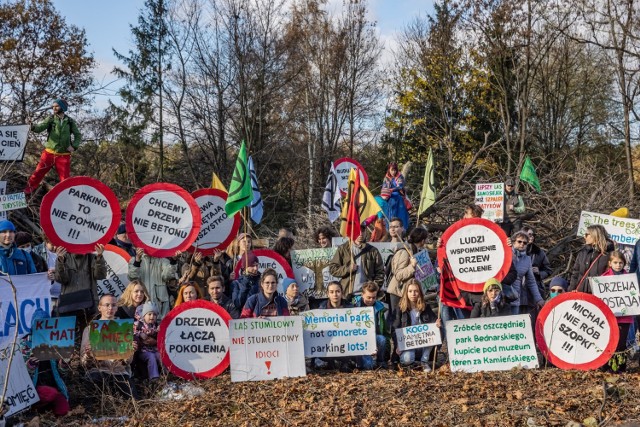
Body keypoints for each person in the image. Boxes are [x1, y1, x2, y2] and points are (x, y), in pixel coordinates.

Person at [81, 294, 139, 400]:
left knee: (133, 400)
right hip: (98, 371)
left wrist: (130, 352)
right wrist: (88, 355)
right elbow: (84, 363)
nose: (110, 308)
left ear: (117, 308)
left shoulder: (123, 328)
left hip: (120, 372)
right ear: (99, 307)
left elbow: (127, 362)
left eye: (113, 305)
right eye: (107, 305)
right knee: (91, 389)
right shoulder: (90, 330)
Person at [19, 309, 70, 417]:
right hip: (34, 388)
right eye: (39, 326)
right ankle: (35, 409)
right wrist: (30, 365)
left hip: (54, 387)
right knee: (50, 393)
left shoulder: (56, 343)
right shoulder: (24, 344)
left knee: (63, 409)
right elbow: (19, 376)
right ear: (34, 327)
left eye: (46, 326)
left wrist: (64, 364)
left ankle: (45, 410)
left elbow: (63, 374)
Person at [25, 99, 81, 195]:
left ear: (63, 108)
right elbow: (40, 127)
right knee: (38, 173)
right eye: (53, 106)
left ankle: (65, 197)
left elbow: (78, 135)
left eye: (56, 106)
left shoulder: (70, 121)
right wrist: (32, 126)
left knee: (65, 179)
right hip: (49, 153)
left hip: (64, 155)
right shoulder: (50, 119)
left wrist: (74, 146)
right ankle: (28, 191)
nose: (54, 108)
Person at [55, 244, 107, 335]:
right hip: (68, 305)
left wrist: (99, 257)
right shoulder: (64, 258)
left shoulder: (92, 258)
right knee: (70, 337)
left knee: (89, 337)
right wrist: (60, 260)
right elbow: (61, 279)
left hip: (89, 306)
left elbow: (100, 275)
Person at [393, 279, 440, 372]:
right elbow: (394, 329)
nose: (413, 294)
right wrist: (398, 345)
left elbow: (433, 327)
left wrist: (437, 324)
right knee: (407, 359)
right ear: (406, 292)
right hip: (407, 345)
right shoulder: (400, 309)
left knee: (436, 331)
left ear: (420, 292)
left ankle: (424, 361)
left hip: (423, 345)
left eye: (416, 291)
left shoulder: (425, 307)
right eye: (410, 291)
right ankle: (413, 363)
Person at [328, 226, 384, 300]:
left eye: (363, 231)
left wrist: (373, 289)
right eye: (357, 231)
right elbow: (333, 269)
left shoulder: (373, 251)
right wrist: (347, 269)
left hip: (366, 297)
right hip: (347, 295)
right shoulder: (343, 249)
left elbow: (380, 272)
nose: (360, 234)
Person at [598, 251, 633, 372]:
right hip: (609, 317)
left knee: (621, 344)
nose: (618, 265)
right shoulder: (603, 278)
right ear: (610, 263)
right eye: (615, 262)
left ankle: (620, 367)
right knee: (608, 341)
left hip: (625, 317)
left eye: (621, 263)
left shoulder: (629, 278)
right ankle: (606, 365)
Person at [387, 227, 429, 320]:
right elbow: (398, 275)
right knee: (397, 320)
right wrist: (412, 266)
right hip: (398, 292)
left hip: (407, 292)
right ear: (422, 240)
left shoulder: (416, 252)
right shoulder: (404, 252)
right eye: (425, 239)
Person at [128, 248, 179, 319]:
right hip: (140, 308)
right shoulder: (134, 260)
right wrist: (137, 261)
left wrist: (173, 261)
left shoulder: (163, 260)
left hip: (160, 310)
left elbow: (167, 276)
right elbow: (132, 278)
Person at [315, 281, 354, 371]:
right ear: (327, 294)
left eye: (337, 291)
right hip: (328, 343)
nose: (335, 294)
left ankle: (345, 362)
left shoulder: (350, 308)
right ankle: (330, 362)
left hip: (346, 343)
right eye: (331, 292)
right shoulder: (322, 308)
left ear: (342, 293)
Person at [353, 282, 390, 369]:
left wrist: (386, 350)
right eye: (368, 297)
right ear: (362, 295)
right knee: (368, 366)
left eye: (374, 297)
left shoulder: (380, 308)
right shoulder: (354, 306)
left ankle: (380, 361)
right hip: (359, 339)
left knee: (382, 339)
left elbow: (384, 331)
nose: (371, 300)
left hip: (374, 337)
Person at [569, 225, 614, 292]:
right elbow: (576, 273)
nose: (584, 237)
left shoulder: (610, 254)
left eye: (587, 234)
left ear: (595, 235)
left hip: (600, 293)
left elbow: (614, 274)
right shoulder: (583, 252)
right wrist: (571, 290)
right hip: (580, 292)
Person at [509, 231, 544, 315]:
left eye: (525, 243)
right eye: (519, 241)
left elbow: (531, 282)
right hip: (501, 297)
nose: (522, 244)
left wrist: (539, 299)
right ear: (513, 242)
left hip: (515, 298)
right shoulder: (506, 253)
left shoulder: (527, 260)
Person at [133, 302, 163, 380]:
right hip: (143, 351)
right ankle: (154, 377)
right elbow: (131, 332)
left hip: (154, 349)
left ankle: (167, 374)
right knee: (151, 357)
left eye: (154, 314)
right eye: (149, 314)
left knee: (161, 356)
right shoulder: (138, 324)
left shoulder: (156, 325)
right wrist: (140, 334)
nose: (152, 316)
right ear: (144, 315)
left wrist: (159, 331)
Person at [521, 226, 552, 298]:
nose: (532, 237)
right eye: (529, 234)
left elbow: (548, 270)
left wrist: (539, 273)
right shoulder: (515, 252)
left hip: (535, 289)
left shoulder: (539, 252)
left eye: (533, 235)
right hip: (518, 289)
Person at [380, 162, 410, 231]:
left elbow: (400, 186)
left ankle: (403, 227)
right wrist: (386, 191)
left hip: (398, 196)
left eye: (395, 170)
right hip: (389, 197)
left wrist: (392, 189)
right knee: (389, 212)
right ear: (389, 170)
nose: (393, 172)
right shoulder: (386, 178)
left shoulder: (400, 176)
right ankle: (389, 227)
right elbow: (384, 187)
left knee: (400, 213)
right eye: (392, 170)